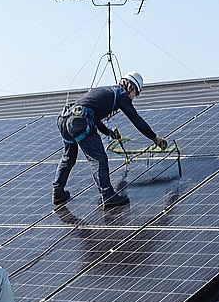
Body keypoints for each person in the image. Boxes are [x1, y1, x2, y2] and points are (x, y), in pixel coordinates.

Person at [53, 71, 167, 208]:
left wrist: (108, 133)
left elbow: (92, 115)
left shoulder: (108, 91)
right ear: (131, 87)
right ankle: (108, 195)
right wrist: (155, 138)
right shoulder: (121, 94)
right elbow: (136, 119)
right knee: (99, 159)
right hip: (79, 121)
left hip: (65, 119)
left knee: (68, 157)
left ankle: (58, 192)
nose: (133, 98)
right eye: (135, 94)